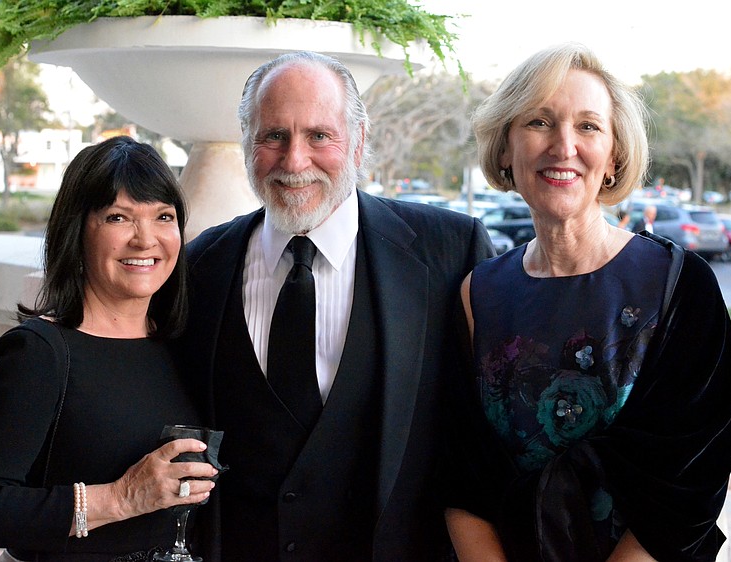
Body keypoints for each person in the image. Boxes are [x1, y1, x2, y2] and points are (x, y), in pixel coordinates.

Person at [179, 51, 495, 562]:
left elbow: (485, 441)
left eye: (319, 136)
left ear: (359, 141)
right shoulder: (199, 266)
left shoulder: (451, 252)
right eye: (273, 135)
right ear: (247, 144)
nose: (294, 161)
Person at [445, 43, 731, 561]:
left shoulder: (678, 286)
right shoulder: (478, 295)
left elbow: (687, 488)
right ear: (505, 150)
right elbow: (461, 477)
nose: (563, 146)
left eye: (588, 126)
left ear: (613, 158)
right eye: (539, 121)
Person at [0, 136, 220, 561]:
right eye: (118, 218)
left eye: (163, 217)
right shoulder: (38, 354)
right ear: (77, 232)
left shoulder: (186, 347)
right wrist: (122, 497)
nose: (146, 239)